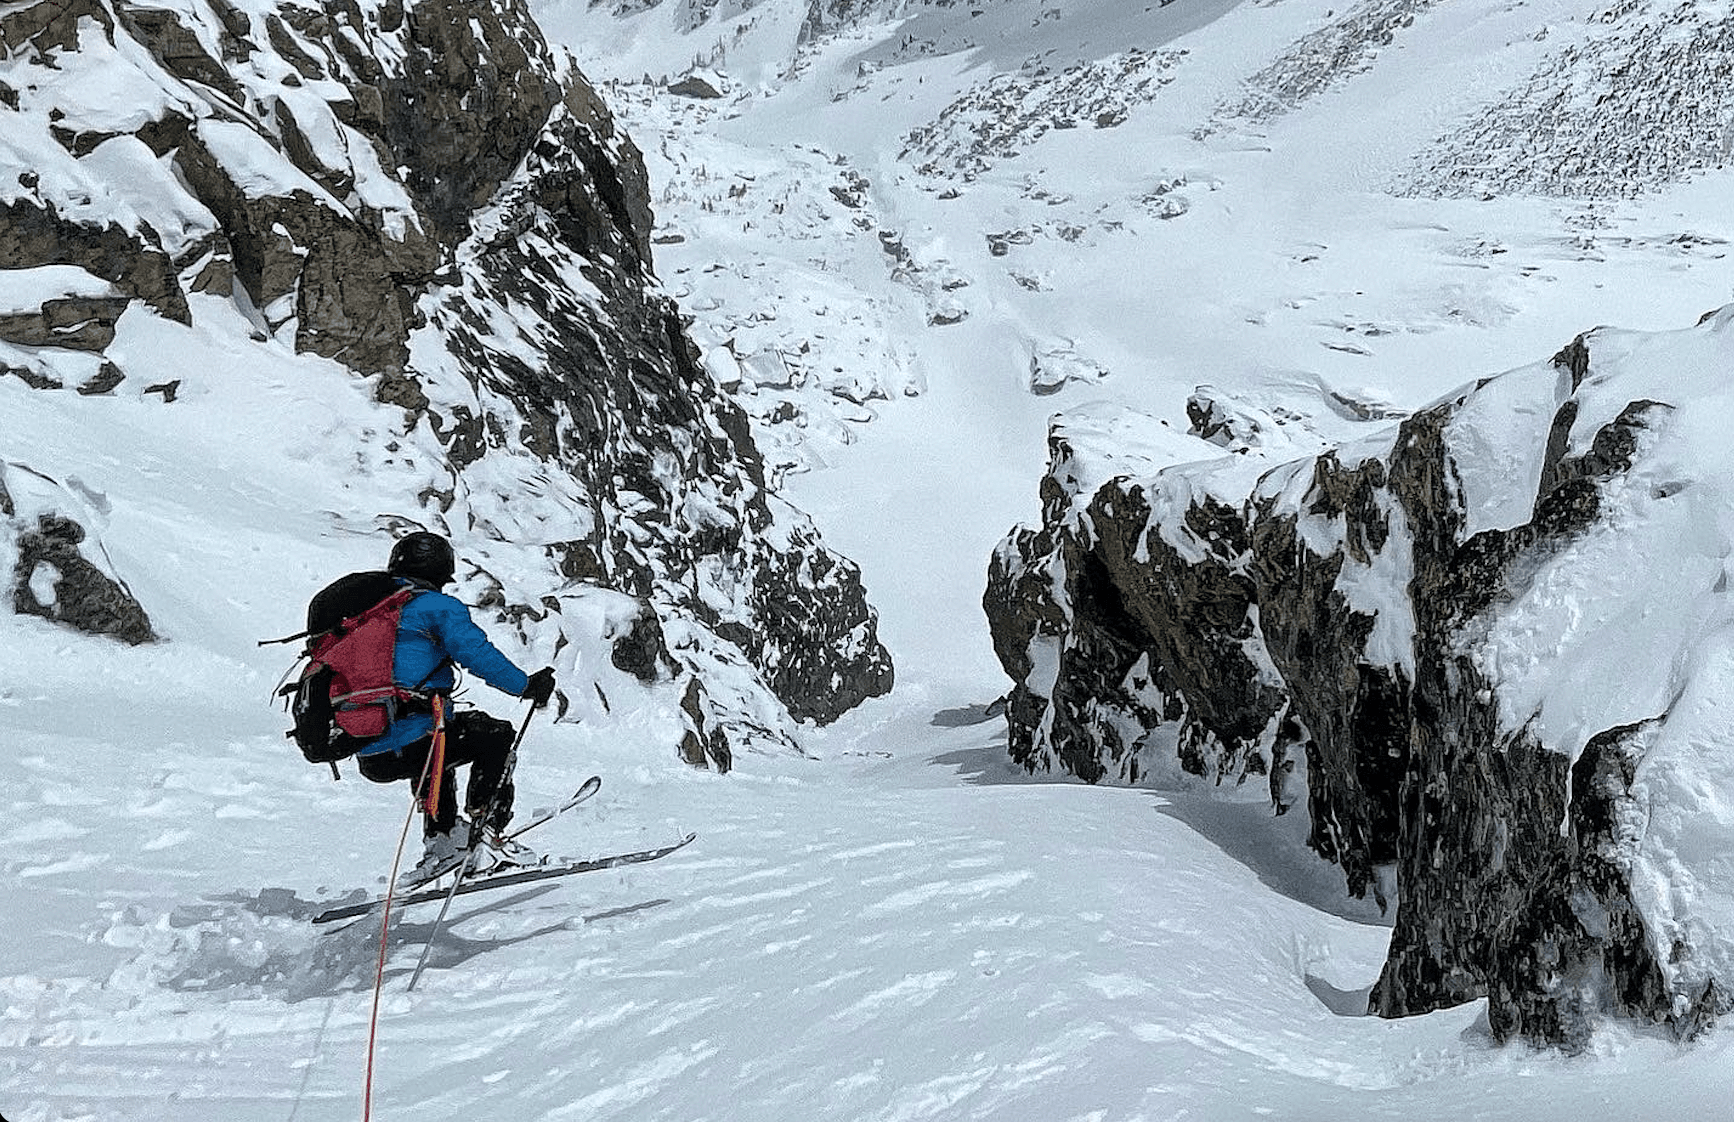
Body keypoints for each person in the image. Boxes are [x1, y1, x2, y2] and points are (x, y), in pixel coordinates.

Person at [352, 532, 556, 877]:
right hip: (414, 738)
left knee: (438, 743)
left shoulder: (368, 614)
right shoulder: (437, 608)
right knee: (494, 735)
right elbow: (477, 655)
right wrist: (525, 686)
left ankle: (443, 839)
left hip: (369, 749)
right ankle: (487, 835)